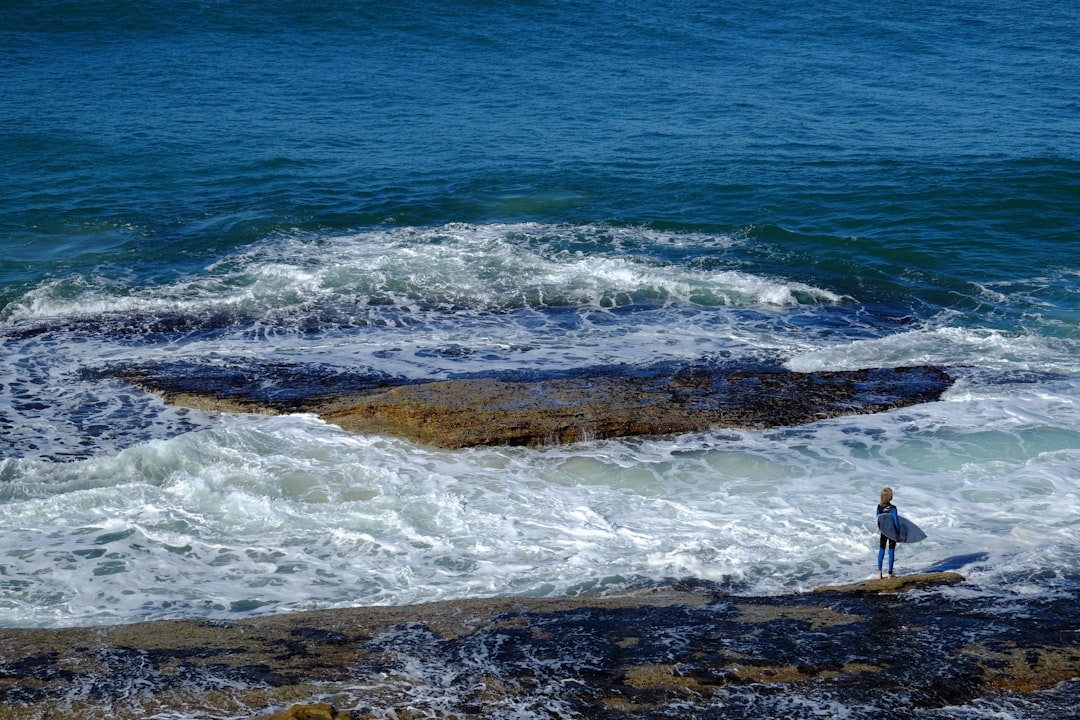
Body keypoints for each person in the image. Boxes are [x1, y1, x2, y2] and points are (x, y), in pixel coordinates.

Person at [876, 487, 900, 579]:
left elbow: (878, 519)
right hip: (892, 532)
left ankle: (879, 573)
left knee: (881, 550)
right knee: (891, 551)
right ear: (890, 497)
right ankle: (890, 574)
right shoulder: (893, 508)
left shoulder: (879, 507)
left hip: (883, 531)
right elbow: (896, 521)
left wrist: (880, 529)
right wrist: (898, 533)